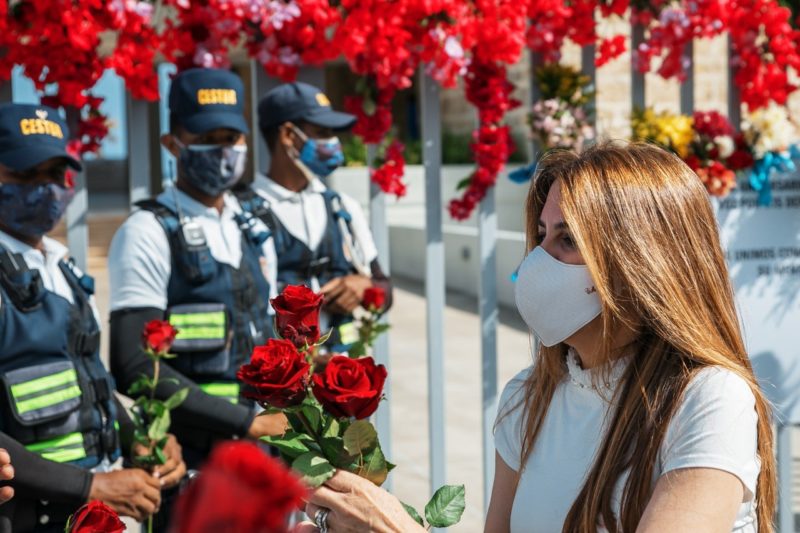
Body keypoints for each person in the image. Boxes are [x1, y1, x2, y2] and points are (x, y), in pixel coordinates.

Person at [298, 142, 776, 533]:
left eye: (568, 240)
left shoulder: (707, 398)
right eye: (542, 235)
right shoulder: (529, 397)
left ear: (640, 263)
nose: (535, 262)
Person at [0, 103, 185, 532]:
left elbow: (91, 380)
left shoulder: (62, 267)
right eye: (26, 175)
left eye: (54, 175)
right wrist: (92, 486)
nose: (45, 189)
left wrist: (138, 438)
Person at [107, 68, 287, 491]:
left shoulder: (252, 223)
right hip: (193, 466)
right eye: (208, 138)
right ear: (173, 144)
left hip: (261, 458)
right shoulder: (148, 230)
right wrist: (248, 422)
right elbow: (134, 366)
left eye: (232, 138)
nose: (223, 150)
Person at [236, 81, 393, 353]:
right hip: (278, 388)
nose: (333, 143)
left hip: (341, 382)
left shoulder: (341, 207)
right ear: (288, 135)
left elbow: (384, 288)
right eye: (322, 133)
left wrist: (364, 286)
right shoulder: (239, 212)